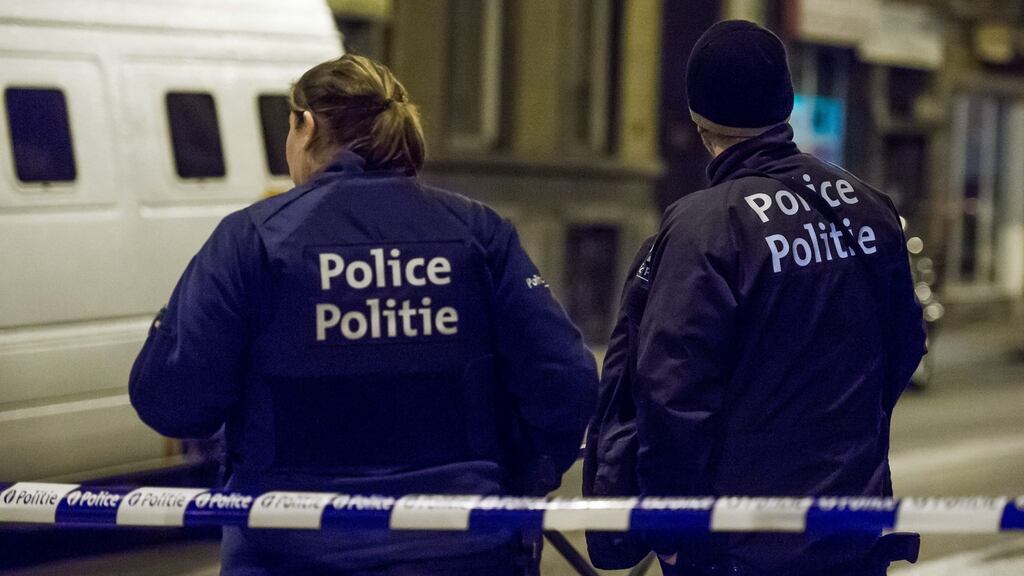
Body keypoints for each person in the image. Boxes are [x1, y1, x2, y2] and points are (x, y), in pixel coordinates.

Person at [129, 54, 597, 576]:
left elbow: (172, 400)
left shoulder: (254, 239)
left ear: (304, 126)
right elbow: (565, 380)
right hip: (463, 549)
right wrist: (518, 480)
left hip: (290, 553)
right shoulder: (477, 232)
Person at [629, 21, 927, 575]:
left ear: (700, 121)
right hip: (851, 529)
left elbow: (670, 393)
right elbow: (905, 344)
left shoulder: (705, 226)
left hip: (740, 546)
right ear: (785, 104)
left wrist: (671, 530)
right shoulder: (869, 206)